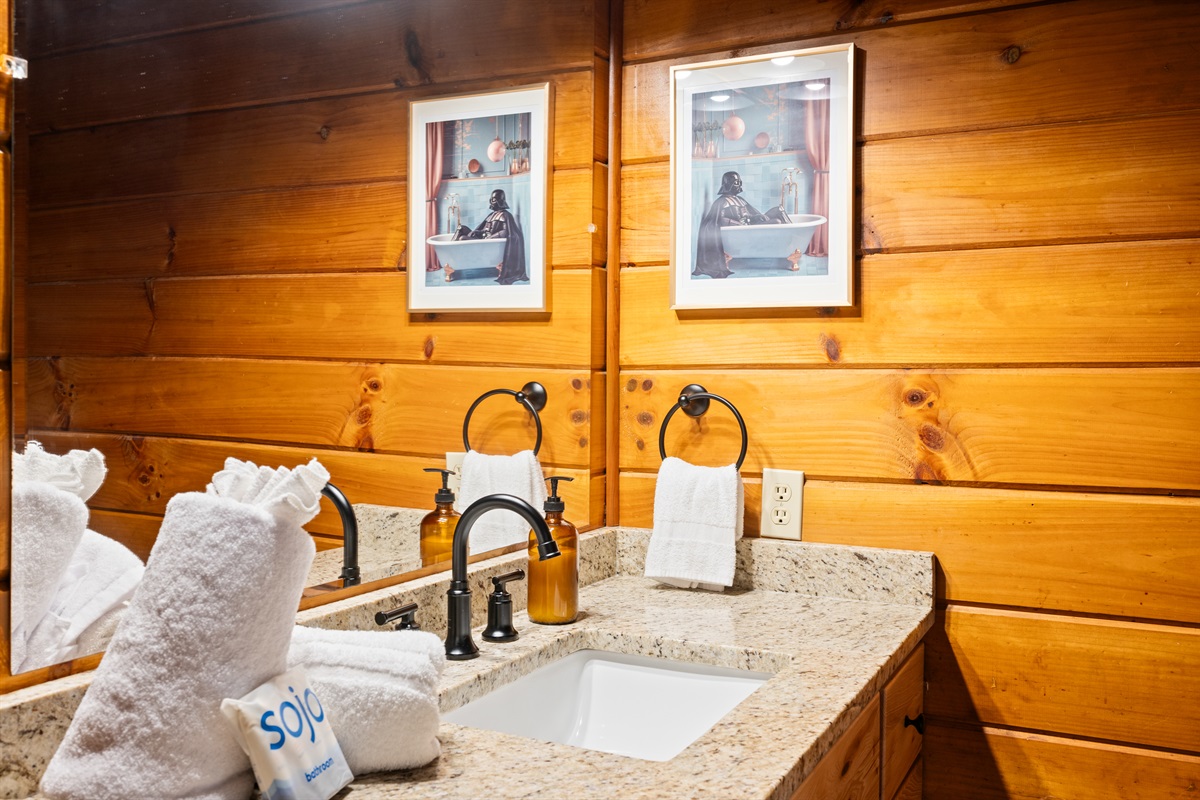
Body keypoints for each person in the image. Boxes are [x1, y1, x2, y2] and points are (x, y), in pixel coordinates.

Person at [693, 171, 788, 279]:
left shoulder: (739, 199)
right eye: (737, 182)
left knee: (778, 210)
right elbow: (720, 220)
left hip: (750, 225)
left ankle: (790, 243)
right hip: (746, 231)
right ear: (729, 184)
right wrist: (740, 224)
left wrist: (757, 217)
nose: (740, 185)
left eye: (740, 182)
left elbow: (750, 214)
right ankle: (788, 245)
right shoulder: (722, 202)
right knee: (777, 222)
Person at [452, 189, 528, 284]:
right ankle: (451, 252)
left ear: (500, 201)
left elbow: (505, 232)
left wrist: (490, 238)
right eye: (491, 199)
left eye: (494, 199)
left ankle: (454, 257)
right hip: (482, 238)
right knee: (461, 228)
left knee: (462, 238)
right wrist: (477, 232)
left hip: (485, 242)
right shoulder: (492, 215)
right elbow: (485, 229)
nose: (491, 201)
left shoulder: (505, 215)